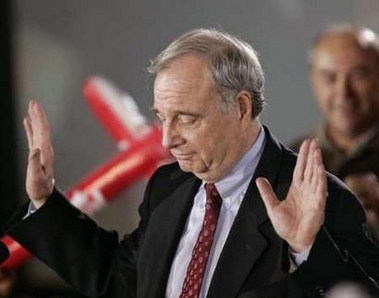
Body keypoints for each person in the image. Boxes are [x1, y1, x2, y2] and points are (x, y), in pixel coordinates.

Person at [4, 28, 379, 298]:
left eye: (186, 118)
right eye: (161, 117)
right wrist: (45, 202)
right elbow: (120, 280)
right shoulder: (169, 186)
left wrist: (308, 249)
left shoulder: (316, 196)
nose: (168, 140)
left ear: (241, 107)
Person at [289, 24, 379, 242]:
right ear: (313, 81)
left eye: (357, 75)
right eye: (329, 77)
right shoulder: (290, 160)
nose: (343, 92)